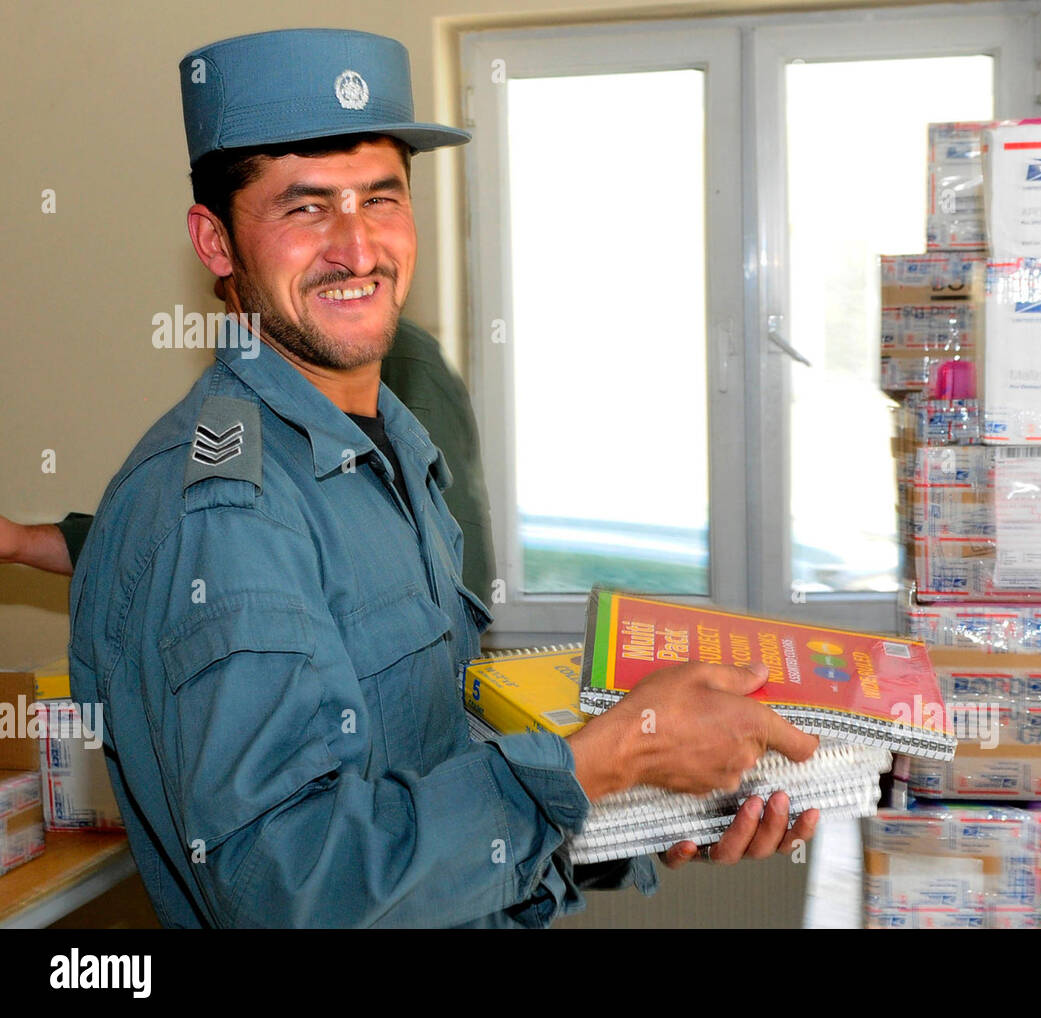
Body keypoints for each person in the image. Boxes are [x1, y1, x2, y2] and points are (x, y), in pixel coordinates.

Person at [66, 27, 819, 929]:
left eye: (380, 198)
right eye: (305, 208)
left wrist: (646, 805)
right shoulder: (227, 511)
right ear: (216, 242)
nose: (357, 248)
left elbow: (424, 786)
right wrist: (605, 759)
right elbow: (291, 890)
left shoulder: (391, 450)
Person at [0, 315, 497, 605]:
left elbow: (457, 564)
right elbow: (182, 535)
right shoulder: (247, 379)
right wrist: (22, 542)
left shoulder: (397, 361)